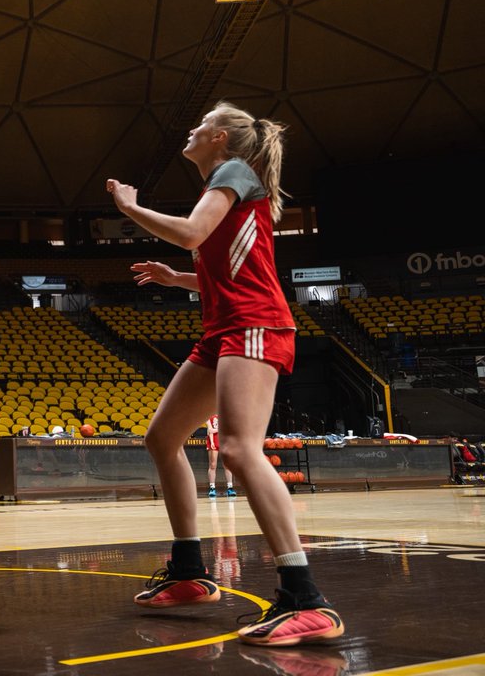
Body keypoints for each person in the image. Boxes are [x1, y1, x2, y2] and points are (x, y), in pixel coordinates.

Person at [108, 101, 344, 646]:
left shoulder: (234, 172)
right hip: (225, 327)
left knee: (239, 450)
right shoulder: (225, 183)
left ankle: (307, 598)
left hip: (255, 324)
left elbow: (192, 234)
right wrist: (179, 281)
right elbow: (224, 266)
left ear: (218, 137)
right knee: (162, 438)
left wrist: (129, 206)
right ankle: (191, 572)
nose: (188, 131)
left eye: (198, 125)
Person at [205, 414, 236, 498]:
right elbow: (210, 431)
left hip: (224, 441)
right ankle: (212, 488)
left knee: (227, 465)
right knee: (212, 465)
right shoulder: (208, 414)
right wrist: (212, 442)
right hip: (213, 441)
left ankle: (230, 487)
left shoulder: (224, 413)